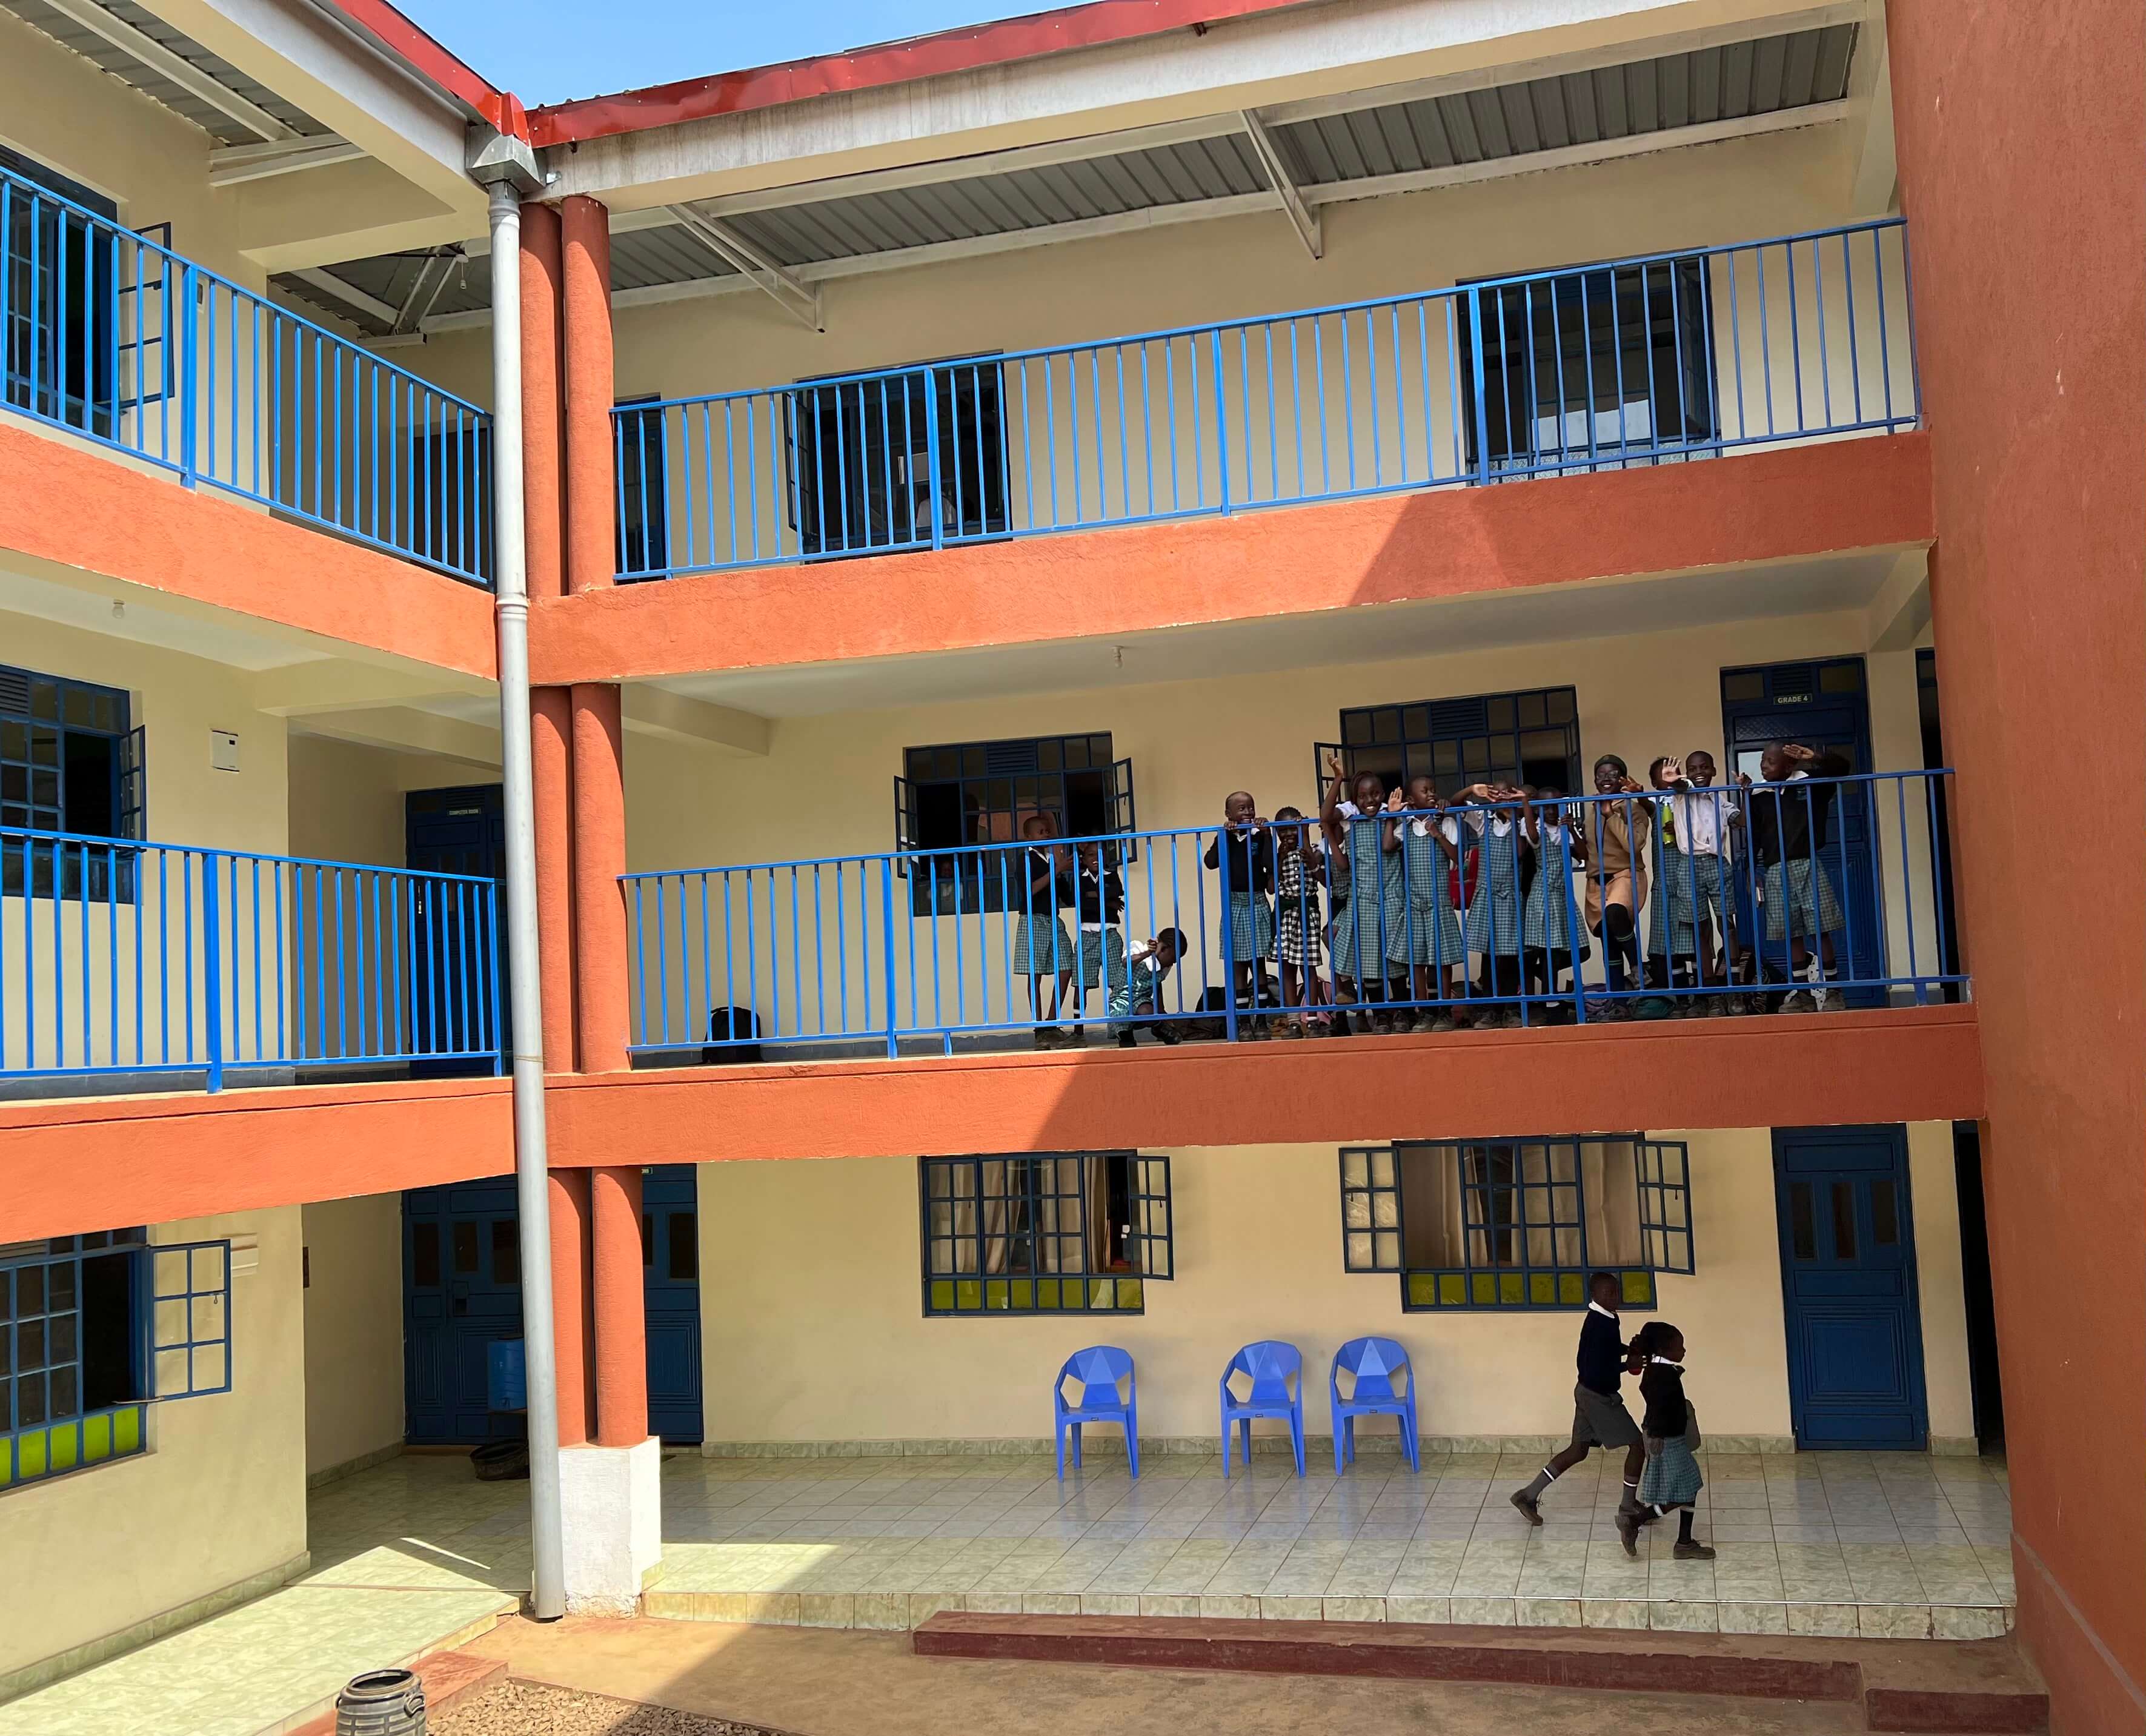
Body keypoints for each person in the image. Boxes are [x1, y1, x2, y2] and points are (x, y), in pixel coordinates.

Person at [1509, 1271, 1652, 1529]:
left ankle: (1527, 1496)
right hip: (1597, 1396)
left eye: (1617, 1292)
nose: (1615, 1297)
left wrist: (1626, 1350)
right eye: (1608, 1293)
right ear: (1594, 1295)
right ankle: (1628, 1505)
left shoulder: (1607, 1317)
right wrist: (1626, 1364)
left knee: (1579, 1450)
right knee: (1638, 1445)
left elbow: (1605, 1351)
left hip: (1586, 1392)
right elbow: (1595, 1368)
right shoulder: (1598, 1323)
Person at [1743, 741, 1852, 1013]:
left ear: (1789, 765)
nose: (1763, 766)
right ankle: (1803, 994)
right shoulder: (1760, 796)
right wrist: (1751, 870)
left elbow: (1842, 769)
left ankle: (1834, 992)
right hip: (1776, 870)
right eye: (1763, 760)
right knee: (1792, 933)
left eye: (1770, 761)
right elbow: (1754, 836)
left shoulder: (1810, 785)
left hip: (1808, 866)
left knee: (1819, 929)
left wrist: (1813, 757)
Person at [1321, 757, 1406, 1033]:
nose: (1369, 800)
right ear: (1355, 798)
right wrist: (1338, 778)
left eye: (1374, 794)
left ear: (1383, 794)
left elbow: (1388, 847)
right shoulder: (1350, 815)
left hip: (1392, 898)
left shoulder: (1391, 813)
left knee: (1395, 962)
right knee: (1370, 963)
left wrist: (1391, 815)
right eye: (1362, 796)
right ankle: (1381, 1016)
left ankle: (1402, 1014)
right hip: (1364, 901)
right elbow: (1325, 817)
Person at [1621, 1320, 1713, 1560]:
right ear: (1663, 1350)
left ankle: (1684, 1542)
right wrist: (1658, 1436)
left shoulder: (1658, 1370)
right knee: (1680, 1494)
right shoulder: (1662, 1376)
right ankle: (1635, 1520)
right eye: (1679, 1347)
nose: (1683, 1351)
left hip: (1670, 1437)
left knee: (1690, 1486)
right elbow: (1659, 1408)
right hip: (1666, 1440)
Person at [1384, 775, 1464, 1033]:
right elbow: (1387, 846)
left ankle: (1444, 1011)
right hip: (1414, 903)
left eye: (1433, 789)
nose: (1431, 794)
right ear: (1410, 800)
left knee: (1441, 960)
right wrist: (1392, 815)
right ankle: (1425, 1011)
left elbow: (1457, 859)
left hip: (1438, 902)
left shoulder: (1446, 821)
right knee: (1416, 961)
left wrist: (1437, 833)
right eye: (1424, 791)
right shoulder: (1405, 826)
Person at [1663, 750, 1739, 1012]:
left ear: (1714, 771)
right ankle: (1712, 992)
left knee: (1727, 925)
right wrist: (1674, 780)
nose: (1699, 772)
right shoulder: (1682, 794)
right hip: (1689, 866)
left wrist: (1747, 791)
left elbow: (1739, 819)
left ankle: (1734, 987)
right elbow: (1681, 785)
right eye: (1693, 768)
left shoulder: (1721, 799)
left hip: (1718, 864)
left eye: (1705, 767)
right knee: (1700, 930)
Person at [1450, 781, 1529, 1027]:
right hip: (1487, 897)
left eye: (1508, 794)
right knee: (1489, 954)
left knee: (1510, 956)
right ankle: (1491, 1009)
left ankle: (1511, 1008)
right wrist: (1472, 789)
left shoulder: (1522, 822)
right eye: (1498, 793)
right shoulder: (1484, 819)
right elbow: (1455, 804)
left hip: (1510, 897)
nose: (1503, 798)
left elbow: (1519, 852)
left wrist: (1516, 814)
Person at [1581, 755, 1652, 1020]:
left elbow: (1633, 845)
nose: (1606, 780)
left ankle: (1637, 968)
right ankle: (1618, 1003)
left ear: (1622, 779)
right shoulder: (1590, 806)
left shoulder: (1633, 807)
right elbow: (1587, 848)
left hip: (1625, 875)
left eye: (1613, 775)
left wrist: (1611, 814)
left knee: (1615, 915)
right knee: (1608, 940)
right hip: (1596, 883)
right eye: (1601, 775)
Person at [1205, 791, 1277, 1038]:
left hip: (1257, 901)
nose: (1248, 813)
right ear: (1229, 815)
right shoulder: (1226, 837)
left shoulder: (1259, 836)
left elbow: (1270, 863)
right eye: (1241, 809)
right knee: (1237, 964)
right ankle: (1244, 1021)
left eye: (1251, 808)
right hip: (1234, 905)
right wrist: (1222, 835)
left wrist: (1267, 835)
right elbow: (1210, 862)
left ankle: (1262, 1021)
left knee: (1258, 963)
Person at [1521, 787, 1589, 1015]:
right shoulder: (1537, 828)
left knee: (1581, 950)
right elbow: (1532, 837)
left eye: (1555, 805)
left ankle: (1543, 975)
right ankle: (1551, 1002)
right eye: (1545, 807)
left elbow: (1584, 856)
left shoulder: (1564, 829)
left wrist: (1572, 828)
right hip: (1543, 894)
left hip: (1562, 895)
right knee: (1548, 951)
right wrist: (1526, 804)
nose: (1550, 811)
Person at [1014, 813, 1078, 1048]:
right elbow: (1030, 890)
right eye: (1041, 831)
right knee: (1036, 974)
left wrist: (1064, 870)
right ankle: (1039, 1027)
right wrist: (1058, 868)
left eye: (1048, 831)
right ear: (1028, 836)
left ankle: (1051, 1022)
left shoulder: (1051, 860)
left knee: (1066, 968)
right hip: (1033, 919)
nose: (1046, 835)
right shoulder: (1026, 858)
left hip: (1054, 919)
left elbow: (1067, 897)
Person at [1271, 807, 1330, 1038]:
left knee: (1309, 966)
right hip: (1287, 915)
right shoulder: (1278, 855)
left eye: (1292, 829)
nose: (1288, 834)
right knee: (1287, 967)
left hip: (1308, 914)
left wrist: (1305, 834)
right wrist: (1281, 856)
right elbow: (1271, 886)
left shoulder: (1312, 851)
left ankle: (1313, 1019)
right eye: (1282, 830)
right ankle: (1294, 1020)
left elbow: (1323, 879)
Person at [1071, 841, 1127, 1044]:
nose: (1095, 858)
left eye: (1099, 854)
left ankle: (1121, 1030)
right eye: (1090, 854)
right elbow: (1079, 901)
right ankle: (1078, 1032)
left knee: (1116, 983)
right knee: (1080, 984)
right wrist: (1107, 901)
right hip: (1087, 936)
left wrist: (1095, 896)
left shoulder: (1111, 875)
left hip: (1110, 935)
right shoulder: (1079, 878)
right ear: (1083, 860)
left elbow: (1117, 891)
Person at [1109, 926, 1187, 1046]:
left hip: (1142, 1000)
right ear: (1163, 949)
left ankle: (1159, 1028)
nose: (1174, 962)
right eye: (1173, 958)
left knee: (1148, 1011)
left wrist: (1161, 1011)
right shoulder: (1138, 948)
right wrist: (1146, 954)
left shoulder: (1164, 967)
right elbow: (1126, 963)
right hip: (1121, 998)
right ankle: (1126, 1036)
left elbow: (1157, 984)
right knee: (1120, 1020)